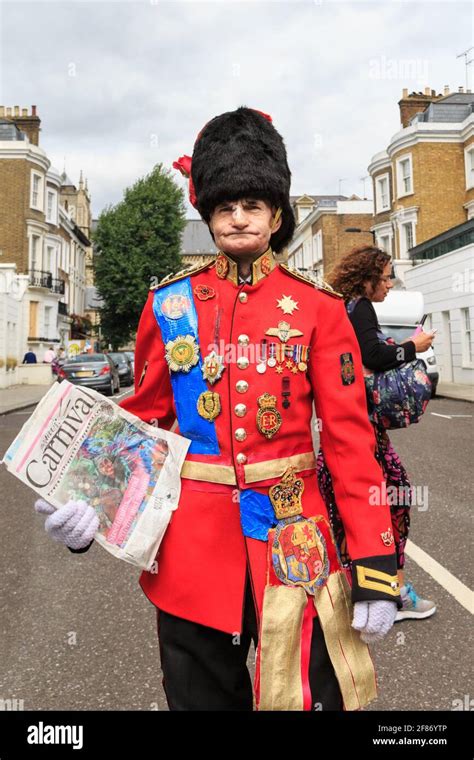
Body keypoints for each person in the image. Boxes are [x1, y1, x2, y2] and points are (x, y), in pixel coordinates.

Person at [33, 107, 402, 712]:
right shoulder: (169, 302)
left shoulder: (318, 308)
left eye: (252, 204)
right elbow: (144, 421)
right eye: (225, 205)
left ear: (276, 213)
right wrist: (86, 498)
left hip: (295, 543)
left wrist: (375, 564)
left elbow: (349, 443)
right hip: (192, 555)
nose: (237, 216)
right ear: (208, 214)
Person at [317, 245, 436, 622]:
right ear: (367, 279)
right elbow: (372, 356)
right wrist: (410, 348)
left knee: (341, 503)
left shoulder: (341, 307)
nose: (389, 284)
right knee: (396, 497)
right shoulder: (360, 307)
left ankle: (351, 586)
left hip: (342, 422)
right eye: (385, 277)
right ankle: (391, 591)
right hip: (359, 426)